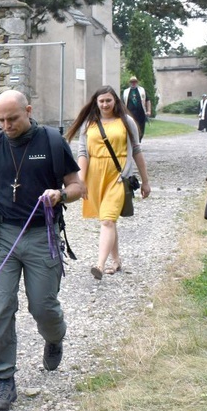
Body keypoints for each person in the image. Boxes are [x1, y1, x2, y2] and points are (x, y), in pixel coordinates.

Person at [0, 90, 86, 411]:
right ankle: (3, 378)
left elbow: (78, 187)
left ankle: (54, 338)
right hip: (4, 237)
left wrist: (60, 195)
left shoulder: (52, 141)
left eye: (12, 118)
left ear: (28, 110)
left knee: (43, 306)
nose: (6, 125)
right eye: (0, 120)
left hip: (43, 236)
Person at [65, 86, 151, 280]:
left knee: (107, 220)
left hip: (118, 176)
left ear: (116, 101)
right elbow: (83, 154)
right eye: (101, 101)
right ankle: (116, 261)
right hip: (95, 177)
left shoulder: (126, 122)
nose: (105, 104)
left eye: (108, 100)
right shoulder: (89, 124)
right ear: (96, 102)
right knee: (108, 220)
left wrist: (145, 181)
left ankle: (100, 265)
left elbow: (136, 150)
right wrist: (81, 182)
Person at [121, 76, 152, 141]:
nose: (133, 83)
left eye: (135, 82)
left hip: (141, 113)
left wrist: (149, 111)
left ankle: (138, 140)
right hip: (130, 113)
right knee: (131, 128)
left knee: (141, 128)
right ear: (130, 83)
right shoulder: (126, 92)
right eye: (132, 82)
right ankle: (133, 142)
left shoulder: (142, 90)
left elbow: (147, 100)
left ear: (137, 82)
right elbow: (122, 103)